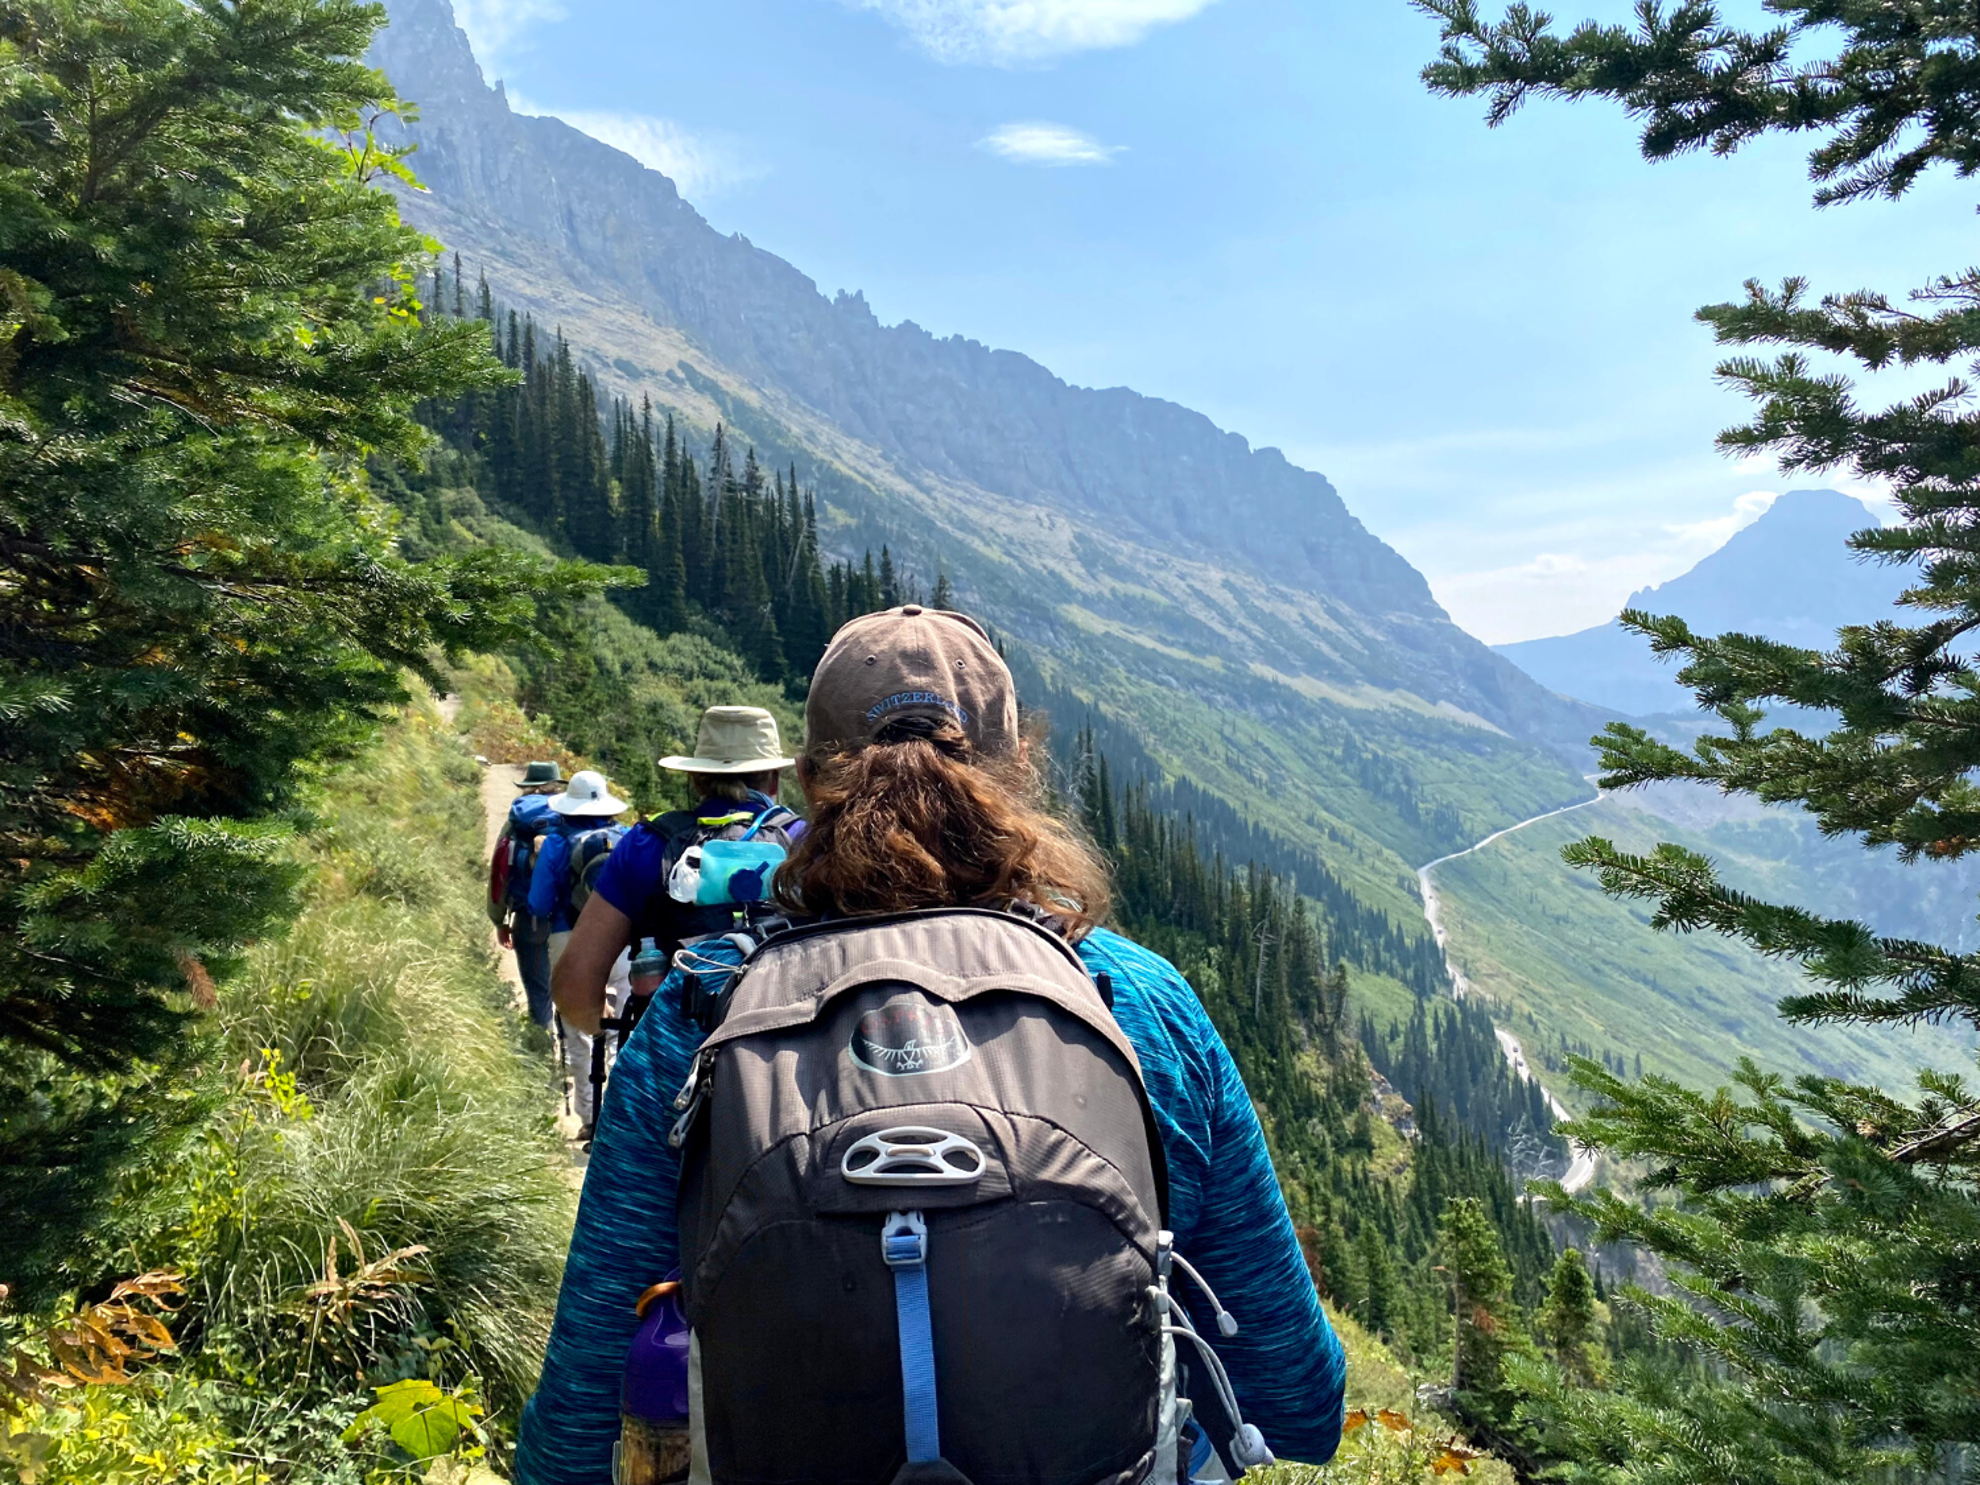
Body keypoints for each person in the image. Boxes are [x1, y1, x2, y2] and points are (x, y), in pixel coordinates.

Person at [517, 608, 1347, 1484]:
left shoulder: (700, 1010)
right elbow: (1297, 1401)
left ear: (807, 783)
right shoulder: (1138, 1000)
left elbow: (578, 1424)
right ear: (1019, 768)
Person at [549, 705, 801, 1040]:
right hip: (783, 1064)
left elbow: (573, 988)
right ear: (773, 779)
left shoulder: (645, 844)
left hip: (667, 1066)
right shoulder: (807, 843)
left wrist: (608, 1030)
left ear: (696, 779)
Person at [529, 770, 631, 1135]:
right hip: (622, 943)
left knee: (579, 1034)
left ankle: (590, 1119)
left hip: (568, 941)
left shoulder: (556, 843)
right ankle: (618, 1122)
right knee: (622, 1032)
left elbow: (538, 904)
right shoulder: (625, 839)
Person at [487, 760, 564, 1030]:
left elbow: (500, 872)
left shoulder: (518, 822)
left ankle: (543, 1057)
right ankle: (576, 1058)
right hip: (571, 920)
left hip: (529, 919)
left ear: (528, 787)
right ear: (556, 786)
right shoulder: (573, 816)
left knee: (539, 994)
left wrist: (499, 921)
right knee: (570, 992)